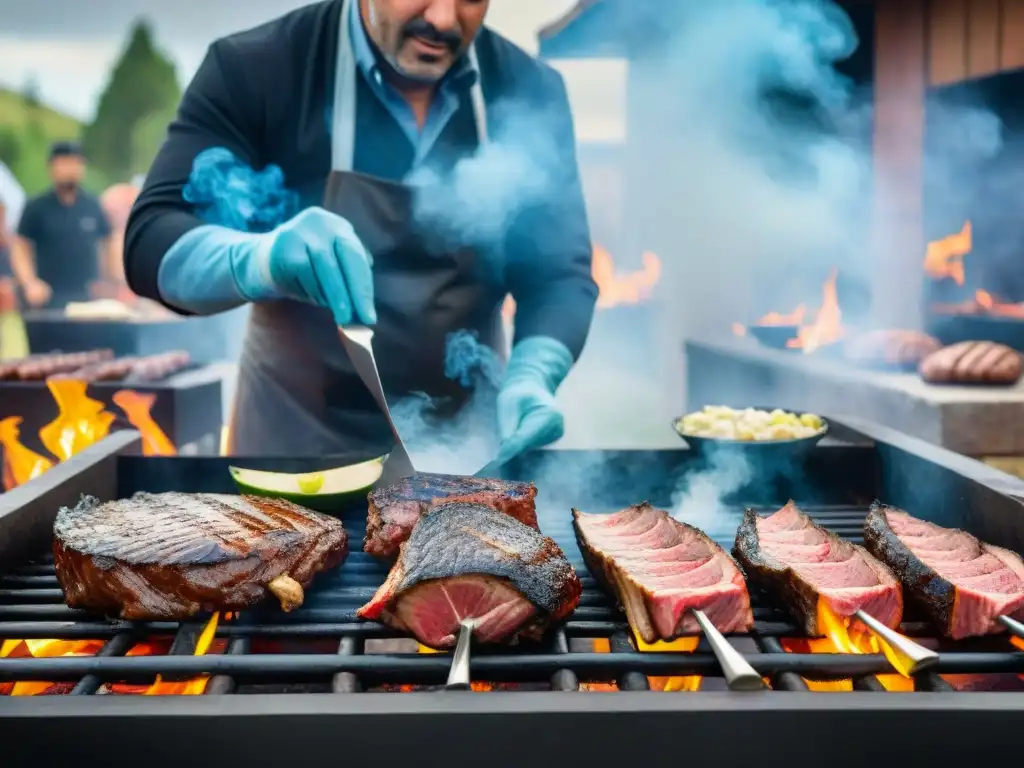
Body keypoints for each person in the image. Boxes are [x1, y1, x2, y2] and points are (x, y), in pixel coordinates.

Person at [125, 0, 598, 460]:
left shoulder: (530, 91)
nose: (443, 18)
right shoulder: (258, 67)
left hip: (464, 455)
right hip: (294, 445)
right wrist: (259, 259)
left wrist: (533, 375)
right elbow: (150, 238)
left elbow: (559, 272)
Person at [12, 142, 113, 308]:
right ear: (52, 168)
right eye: (64, 163)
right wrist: (30, 283)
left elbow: (107, 243)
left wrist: (108, 281)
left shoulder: (92, 206)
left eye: (75, 163)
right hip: (48, 298)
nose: (70, 169)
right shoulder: (37, 207)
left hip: (87, 297)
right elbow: (20, 247)